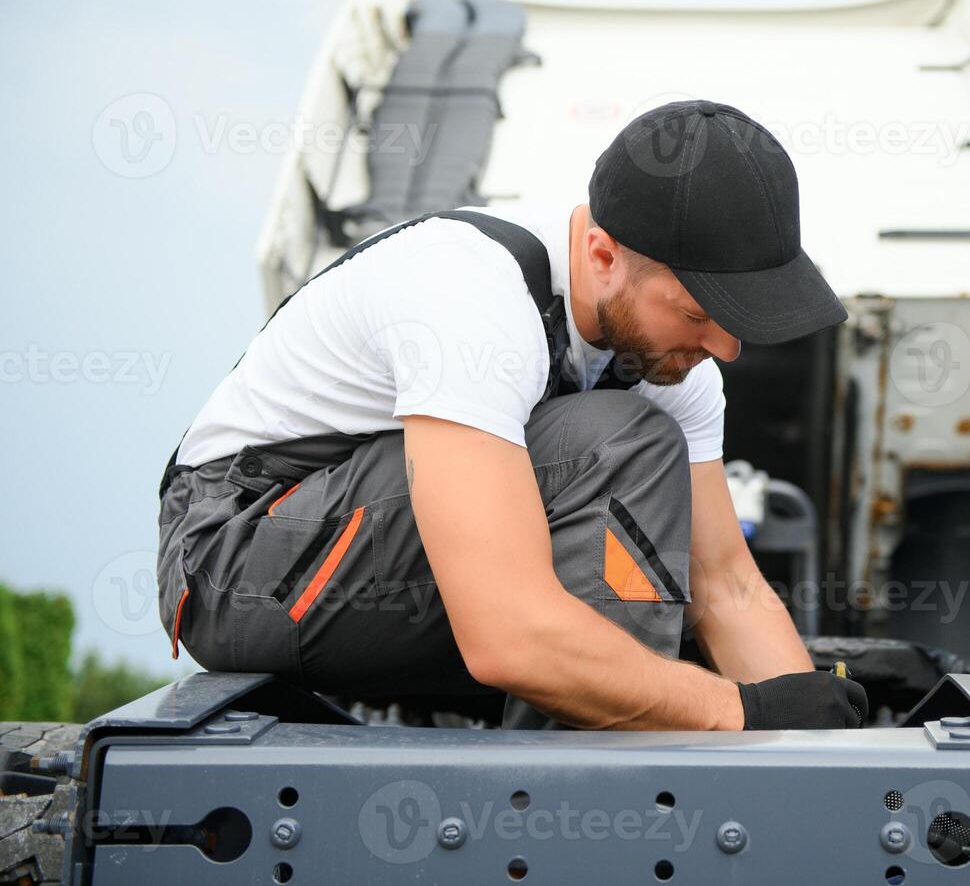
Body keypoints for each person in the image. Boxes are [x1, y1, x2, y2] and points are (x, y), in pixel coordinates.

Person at [155, 99, 868, 730]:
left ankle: (587, 785)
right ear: (602, 254)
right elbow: (506, 636)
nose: (725, 349)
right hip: (237, 560)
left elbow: (724, 583)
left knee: (656, 605)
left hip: (372, 568)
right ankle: (570, 808)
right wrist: (735, 711)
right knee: (617, 446)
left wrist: (809, 740)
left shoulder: (671, 363)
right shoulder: (470, 295)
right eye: (697, 313)